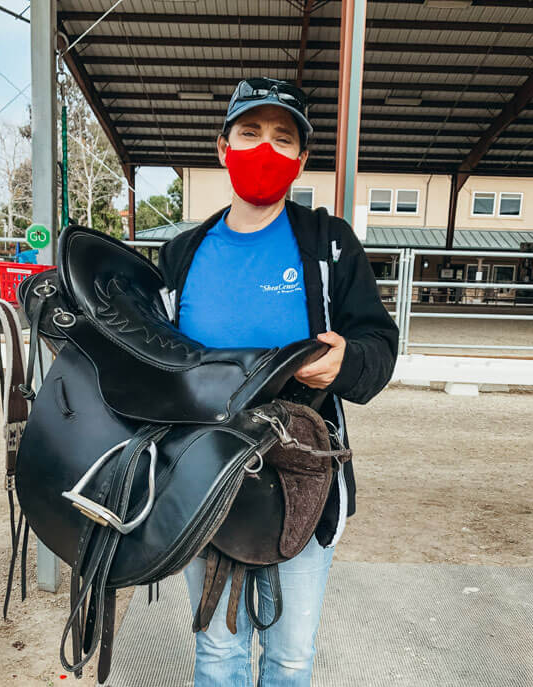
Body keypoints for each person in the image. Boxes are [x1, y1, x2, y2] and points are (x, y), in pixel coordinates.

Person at [158, 77, 399, 687]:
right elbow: (152, 359)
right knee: (218, 653)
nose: (265, 148)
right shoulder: (181, 254)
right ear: (223, 148)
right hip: (202, 473)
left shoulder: (328, 244)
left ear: (301, 157)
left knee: (291, 656)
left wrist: (347, 362)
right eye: (250, 132)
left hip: (301, 475)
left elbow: (378, 343)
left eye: (282, 137)